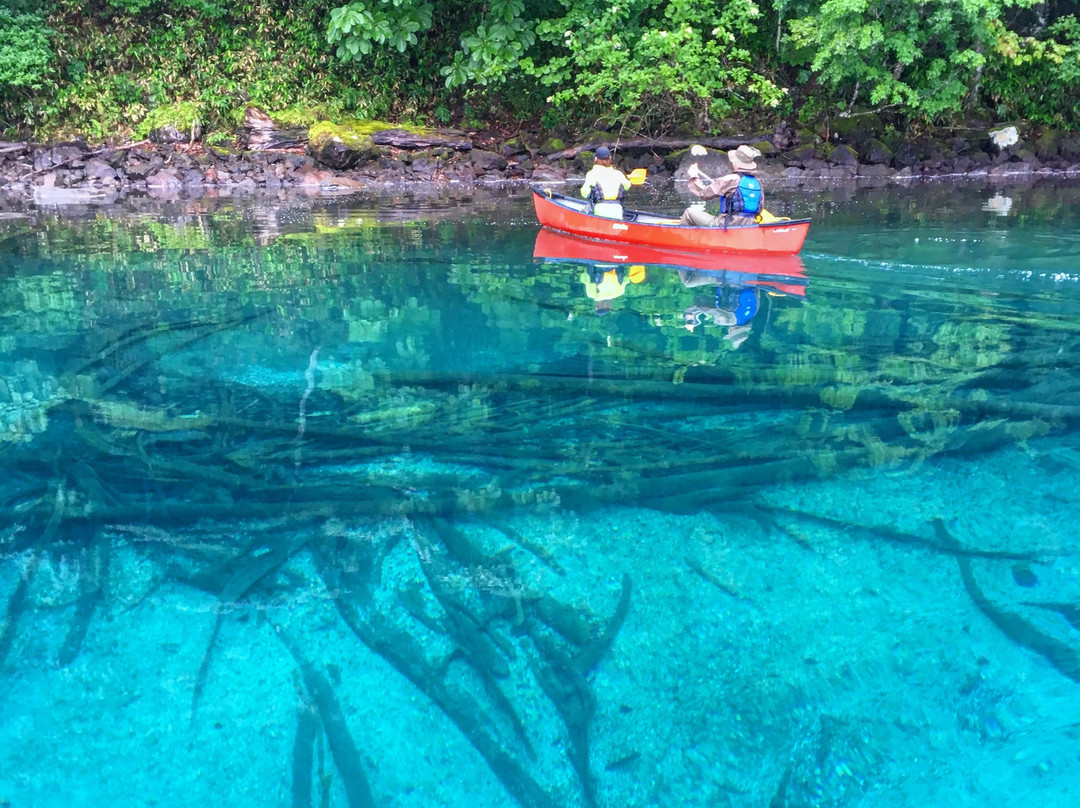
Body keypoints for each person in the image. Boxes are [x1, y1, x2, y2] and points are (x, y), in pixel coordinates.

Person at [679, 144, 763, 228]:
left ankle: (681, 239)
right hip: (751, 225)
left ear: (736, 163)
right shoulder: (757, 182)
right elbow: (759, 208)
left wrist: (694, 177)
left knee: (689, 213)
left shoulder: (730, 179)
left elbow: (704, 193)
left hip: (727, 225)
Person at [580, 145, 631, 220]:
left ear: (596, 159)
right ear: (610, 158)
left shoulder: (592, 174)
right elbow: (627, 186)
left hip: (600, 211)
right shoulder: (618, 174)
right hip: (617, 211)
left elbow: (585, 193)